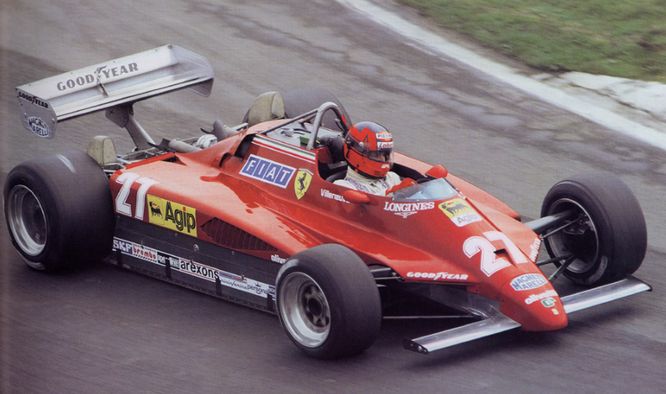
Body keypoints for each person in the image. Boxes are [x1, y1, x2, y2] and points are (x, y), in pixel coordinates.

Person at [334, 121, 401, 196]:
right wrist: (391, 192)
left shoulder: (392, 178)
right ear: (356, 154)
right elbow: (371, 202)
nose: (383, 159)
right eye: (376, 154)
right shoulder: (342, 186)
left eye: (385, 154)